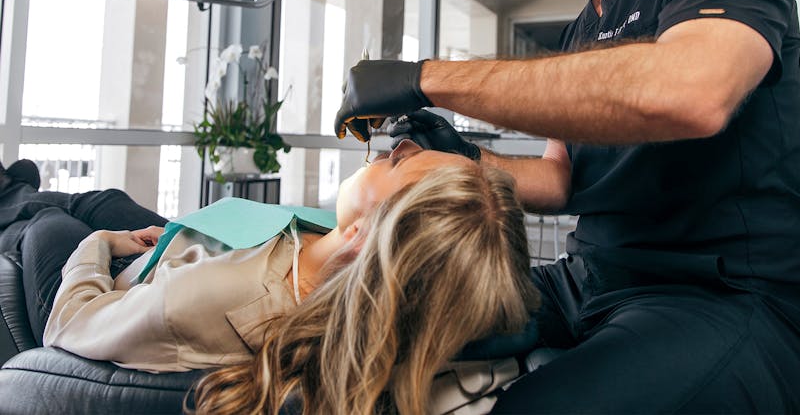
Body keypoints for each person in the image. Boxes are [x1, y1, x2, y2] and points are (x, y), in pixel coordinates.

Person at [334, 0, 800, 414]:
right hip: (588, 284)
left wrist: (427, 78)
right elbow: (560, 178)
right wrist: (464, 159)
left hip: (728, 299)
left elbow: (689, 94)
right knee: (362, 327)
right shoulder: (584, 27)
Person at [0, 145, 538, 412]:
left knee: (52, 222)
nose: (395, 147)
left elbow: (70, 325)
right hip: (184, 249)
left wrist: (100, 248)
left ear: (364, 236)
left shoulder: (214, 300)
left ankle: (17, 194)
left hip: (117, 288)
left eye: (401, 163)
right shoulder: (352, 268)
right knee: (106, 200)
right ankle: (21, 184)